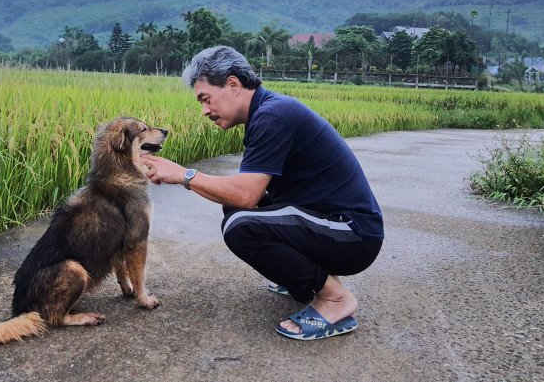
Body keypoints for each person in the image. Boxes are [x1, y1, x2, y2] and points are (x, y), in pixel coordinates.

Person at [141, 46, 384, 340]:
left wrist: (184, 174)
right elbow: (243, 195)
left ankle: (335, 299)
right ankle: (302, 280)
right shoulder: (266, 112)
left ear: (233, 84)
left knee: (240, 225)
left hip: (353, 234)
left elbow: (246, 195)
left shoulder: (273, 116)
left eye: (206, 99)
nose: (204, 110)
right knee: (235, 210)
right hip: (331, 224)